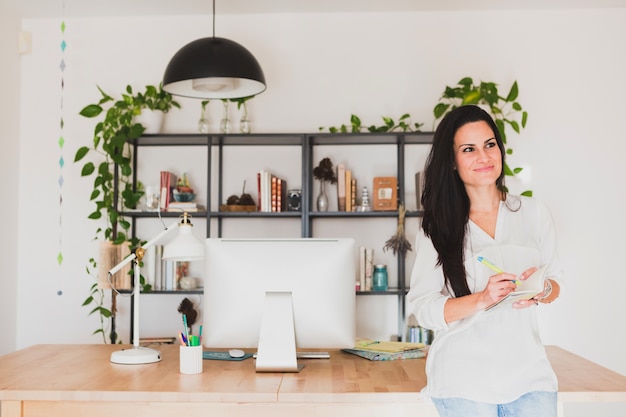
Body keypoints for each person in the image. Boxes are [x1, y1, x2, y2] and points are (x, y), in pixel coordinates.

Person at [407, 104, 562, 417]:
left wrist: (541, 289)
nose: (484, 157)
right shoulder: (438, 228)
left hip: (530, 379)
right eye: (469, 149)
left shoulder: (533, 213)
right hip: (463, 383)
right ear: (453, 161)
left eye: (490, 144)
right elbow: (422, 308)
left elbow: (556, 283)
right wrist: (482, 299)